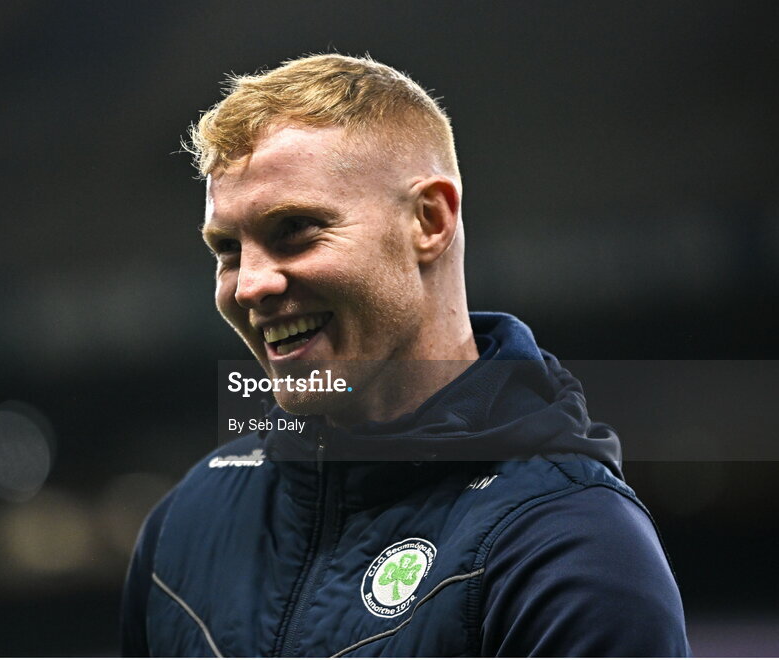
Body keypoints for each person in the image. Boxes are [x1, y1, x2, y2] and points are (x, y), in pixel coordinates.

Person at [121, 54, 690, 656]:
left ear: (429, 220)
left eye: (296, 229)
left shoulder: (571, 547)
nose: (250, 285)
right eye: (229, 250)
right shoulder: (184, 526)